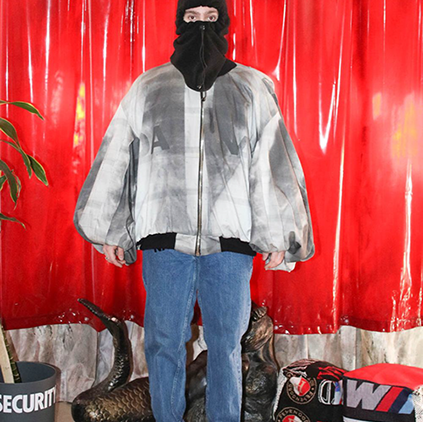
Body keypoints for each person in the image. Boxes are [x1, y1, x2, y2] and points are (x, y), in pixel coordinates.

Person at [74, 0, 314, 420]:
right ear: (179, 22)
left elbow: (272, 163)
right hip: (164, 240)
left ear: (223, 23)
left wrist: (280, 235)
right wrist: (113, 229)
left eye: (210, 17)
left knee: (226, 346)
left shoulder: (252, 87)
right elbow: (118, 157)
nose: (201, 26)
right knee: (163, 342)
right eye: (192, 17)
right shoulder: (149, 87)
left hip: (230, 243)